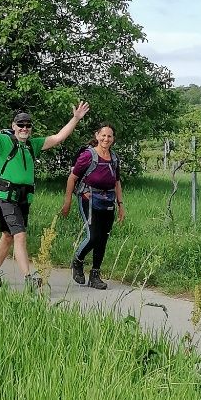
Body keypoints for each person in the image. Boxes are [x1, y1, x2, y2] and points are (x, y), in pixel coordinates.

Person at [0, 99, 90, 288]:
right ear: (13, 126)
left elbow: (58, 138)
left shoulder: (33, 145)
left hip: (24, 197)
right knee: (20, 235)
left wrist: (75, 118)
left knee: (8, 235)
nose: (24, 128)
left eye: (28, 125)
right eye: (21, 125)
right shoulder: (3, 142)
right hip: (6, 196)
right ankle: (28, 278)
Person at [60, 123, 125, 290]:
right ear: (97, 136)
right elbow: (72, 178)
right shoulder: (88, 155)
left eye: (109, 136)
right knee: (93, 236)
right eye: (103, 135)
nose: (106, 139)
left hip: (108, 200)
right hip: (88, 199)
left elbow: (117, 182)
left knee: (103, 239)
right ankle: (78, 261)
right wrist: (67, 201)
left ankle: (95, 275)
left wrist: (121, 205)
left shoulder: (114, 158)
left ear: (113, 139)